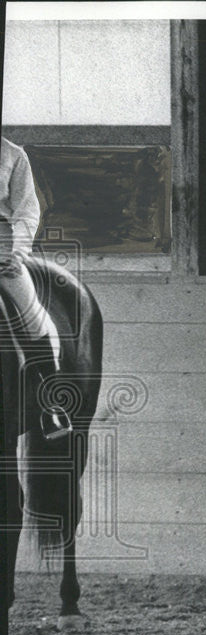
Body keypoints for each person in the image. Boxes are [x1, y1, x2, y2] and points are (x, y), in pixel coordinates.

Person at [0, 137, 72, 439]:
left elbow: (26, 212)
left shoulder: (12, 155)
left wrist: (15, 255)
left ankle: (50, 403)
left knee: (30, 312)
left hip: (1, 245)